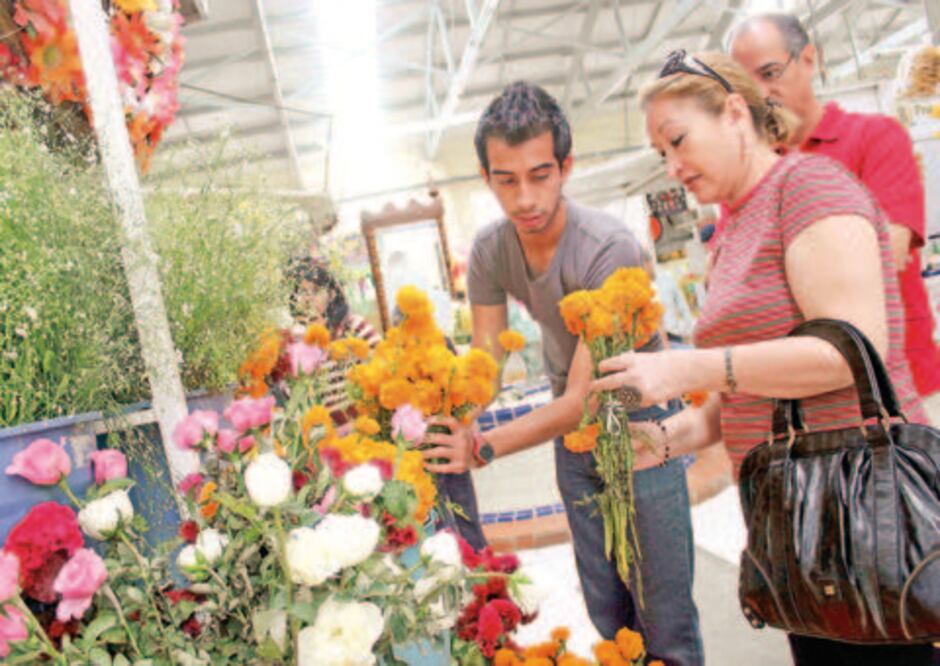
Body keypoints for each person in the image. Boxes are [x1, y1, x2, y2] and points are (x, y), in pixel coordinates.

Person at [590, 50, 930, 666]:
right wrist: (665, 438)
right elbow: (741, 395)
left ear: (735, 113)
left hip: (864, 517)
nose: (672, 166)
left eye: (678, 141)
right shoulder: (733, 229)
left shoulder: (810, 188)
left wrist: (687, 367)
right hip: (798, 529)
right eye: (660, 154)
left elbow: (850, 348)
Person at [421, 81, 703, 666]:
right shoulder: (491, 250)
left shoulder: (609, 248)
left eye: (540, 174)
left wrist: (485, 446)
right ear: (485, 176)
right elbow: (486, 359)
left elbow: (583, 398)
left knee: (664, 620)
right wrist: (457, 421)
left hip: (641, 429)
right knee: (607, 611)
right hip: (574, 443)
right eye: (506, 179)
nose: (525, 197)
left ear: (567, 166)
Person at [727, 12, 940, 426]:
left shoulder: (876, 138)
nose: (761, 93)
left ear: (809, 59)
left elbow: (888, 254)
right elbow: (736, 293)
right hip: (817, 405)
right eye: (744, 85)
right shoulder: (744, 178)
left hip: (906, 387)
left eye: (770, 72)